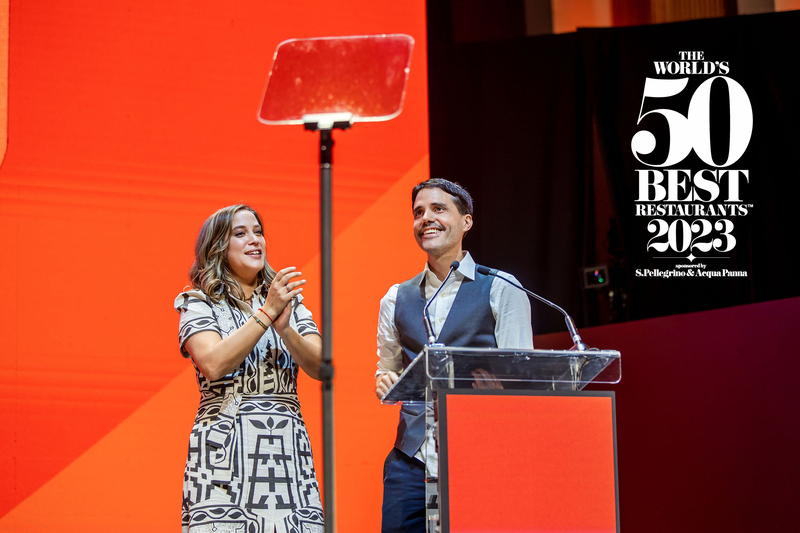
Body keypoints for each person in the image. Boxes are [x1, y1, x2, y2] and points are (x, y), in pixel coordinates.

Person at [375, 178, 534, 533]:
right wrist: (385, 384)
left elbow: (525, 379)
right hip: (410, 462)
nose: (425, 218)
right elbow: (386, 374)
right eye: (418, 212)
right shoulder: (394, 298)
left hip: (482, 453)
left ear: (467, 221)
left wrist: (503, 397)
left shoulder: (502, 288)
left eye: (438, 209)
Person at [174, 204, 324, 533]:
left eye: (258, 232)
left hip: (287, 449)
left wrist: (285, 327)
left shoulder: (289, 302)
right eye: (240, 234)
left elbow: (322, 366)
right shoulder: (197, 302)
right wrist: (266, 313)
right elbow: (212, 363)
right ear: (217, 248)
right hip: (223, 449)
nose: (254, 240)